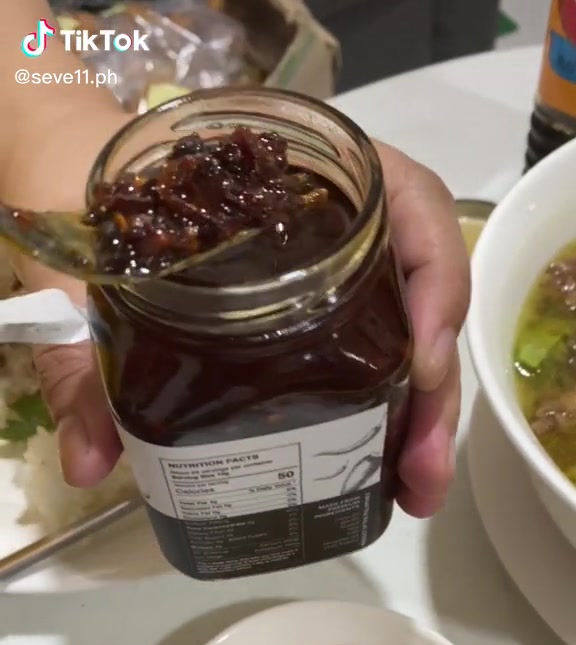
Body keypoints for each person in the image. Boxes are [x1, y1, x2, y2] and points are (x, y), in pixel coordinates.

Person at [1, 0, 470, 519]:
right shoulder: (132, 324)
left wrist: (46, 120)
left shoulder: (364, 290)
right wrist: (39, 121)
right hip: (154, 315)